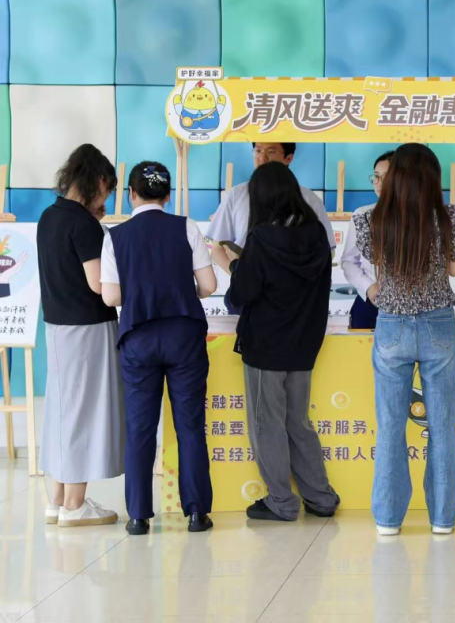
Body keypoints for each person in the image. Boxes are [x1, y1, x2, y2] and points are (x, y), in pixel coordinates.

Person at [355, 143, 455, 536]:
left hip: (392, 324)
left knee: (390, 427)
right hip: (439, 324)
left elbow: (379, 267)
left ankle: (388, 519)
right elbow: (454, 270)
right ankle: (443, 519)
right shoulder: (451, 218)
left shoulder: (372, 219)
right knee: (442, 426)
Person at [100, 162, 218, 535]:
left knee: (139, 428)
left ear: (131, 194)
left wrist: (141, 291)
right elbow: (209, 285)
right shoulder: (186, 227)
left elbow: (110, 296)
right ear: (167, 195)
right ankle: (196, 513)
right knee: (190, 425)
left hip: (138, 338)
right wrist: (179, 290)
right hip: (184, 336)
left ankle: (138, 517)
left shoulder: (115, 236)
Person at [228, 161, 340, 522]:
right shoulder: (317, 236)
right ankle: (321, 497)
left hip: (265, 346)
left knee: (267, 424)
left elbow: (241, 295)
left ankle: (281, 501)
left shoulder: (260, 238)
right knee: (298, 422)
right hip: (304, 345)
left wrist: (235, 266)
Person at [36, 144, 123, 527]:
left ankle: (57, 500)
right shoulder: (84, 226)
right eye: (108, 190)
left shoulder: (49, 216)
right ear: (99, 181)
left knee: (62, 411)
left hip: (57, 327)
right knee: (84, 413)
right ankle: (75, 504)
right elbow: (98, 285)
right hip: (88, 329)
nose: (107, 199)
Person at [206, 142, 335, 313]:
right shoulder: (236, 195)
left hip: (296, 298)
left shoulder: (310, 199)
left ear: (288, 158)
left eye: (271, 151)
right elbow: (217, 248)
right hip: (247, 293)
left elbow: (326, 252)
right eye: (258, 150)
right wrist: (241, 276)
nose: (262, 157)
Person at [340, 149, 394, 329]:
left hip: (409, 308)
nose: (379, 183)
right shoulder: (362, 215)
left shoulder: (419, 218)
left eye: (386, 177)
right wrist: (369, 286)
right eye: (376, 176)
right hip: (369, 304)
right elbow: (348, 261)